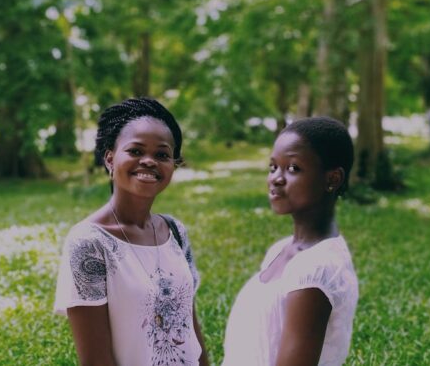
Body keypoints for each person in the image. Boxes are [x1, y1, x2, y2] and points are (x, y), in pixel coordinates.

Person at [54, 97, 209, 365]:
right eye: (136, 151)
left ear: (174, 164)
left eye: (162, 155)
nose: (149, 161)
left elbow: (189, 324)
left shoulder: (175, 231)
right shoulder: (89, 243)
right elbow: (95, 360)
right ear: (110, 159)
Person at [222, 117, 359, 366]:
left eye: (293, 168)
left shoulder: (318, 269)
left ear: (332, 179)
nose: (276, 178)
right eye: (273, 167)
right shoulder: (281, 249)